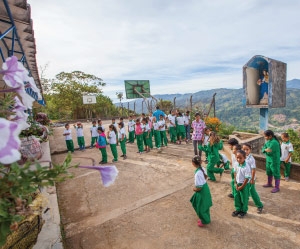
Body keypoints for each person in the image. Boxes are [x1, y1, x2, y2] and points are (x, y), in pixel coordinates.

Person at [190, 156, 213, 227]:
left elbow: (199, 188)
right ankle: (206, 218)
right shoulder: (202, 168)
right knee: (205, 205)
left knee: (200, 207)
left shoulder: (197, 174)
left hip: (201, 191)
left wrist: (194, 189)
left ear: (193, 163)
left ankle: (205, 220)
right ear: (200, 162)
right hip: (205, 187)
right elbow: (206, 176)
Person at [242, 143, 264, 214]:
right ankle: (244, 201)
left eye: (247, 149)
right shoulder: (242, 157)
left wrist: (252, 179)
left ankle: (259, 205)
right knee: (245, 190)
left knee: (252, 191)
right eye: (244, 149)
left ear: (250, 150)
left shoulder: (251, 159)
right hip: (244, 178)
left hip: (250, 178)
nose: (245, 151)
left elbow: (253, 170)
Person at [232, 150, 251, 218]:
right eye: (237, 157)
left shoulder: (247, 167)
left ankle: (243, 210)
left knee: (244, 198)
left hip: (244, 185)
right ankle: (238, 209)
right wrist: (235, 182)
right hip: (237, 184)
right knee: (236, 197)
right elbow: (235, 173)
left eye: (240, 158)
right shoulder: (236, 164)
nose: (238, 159)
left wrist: (242, 186)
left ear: (245, 158)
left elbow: (246, 178)